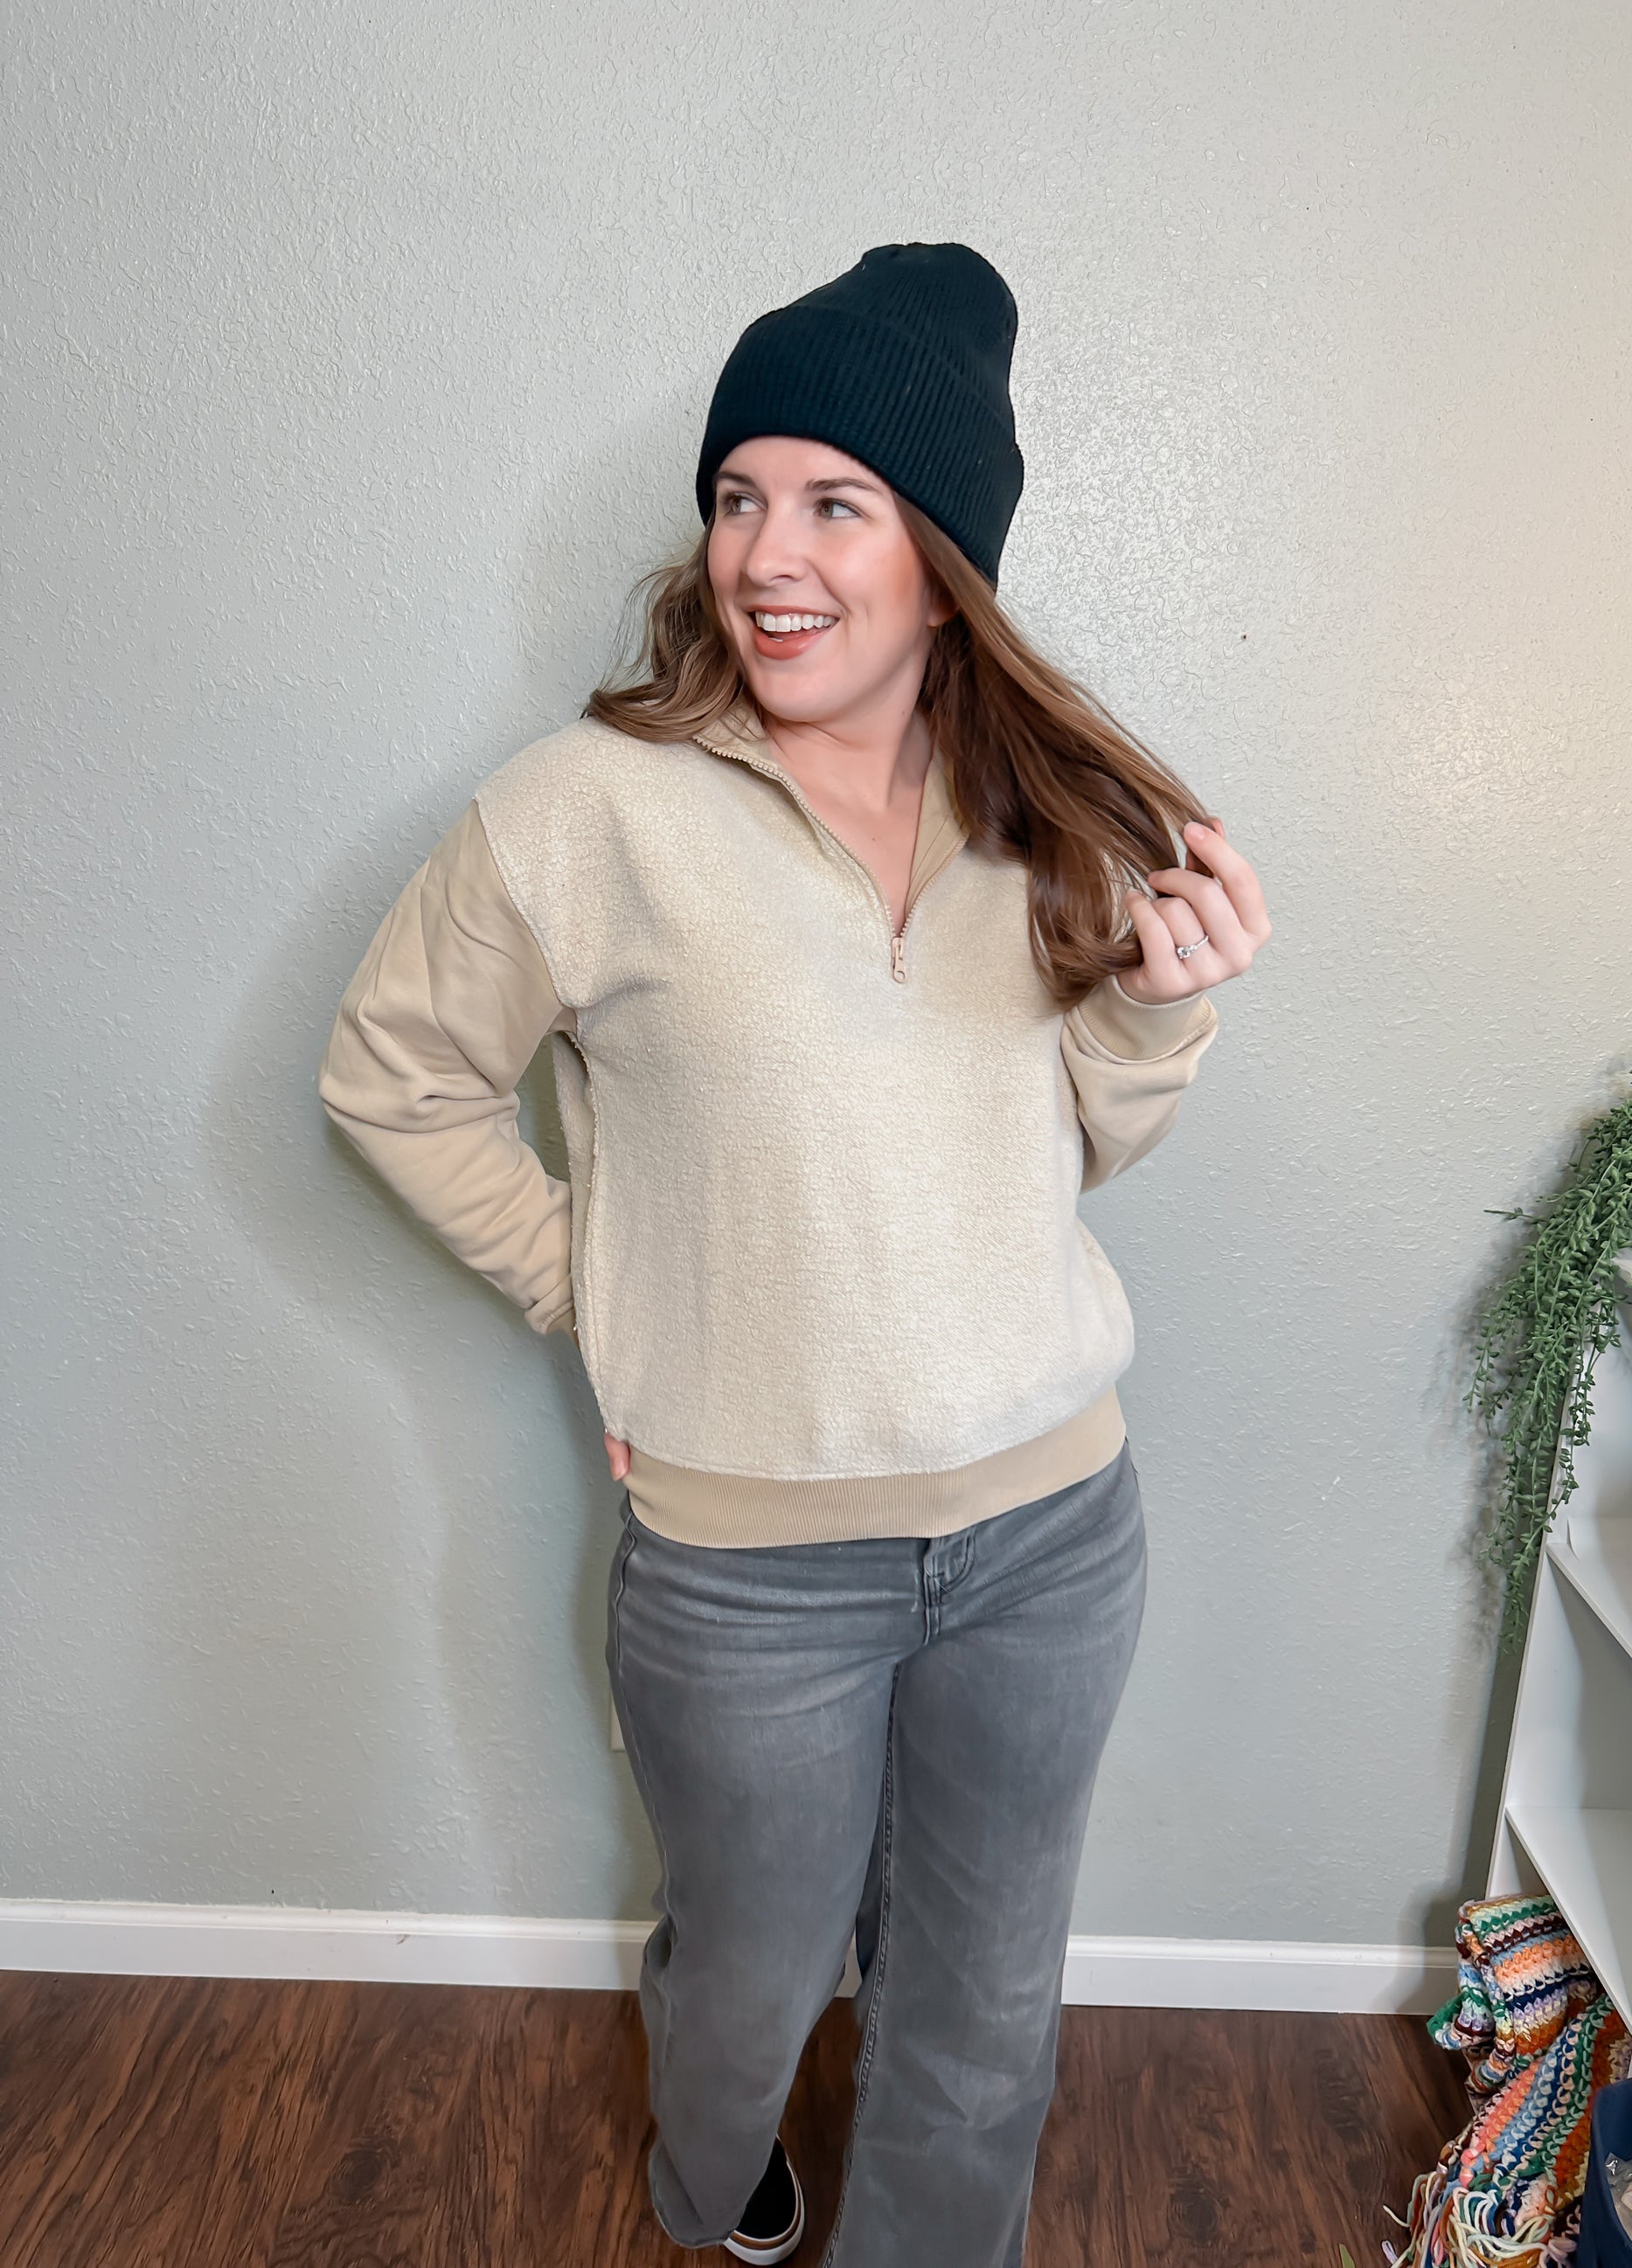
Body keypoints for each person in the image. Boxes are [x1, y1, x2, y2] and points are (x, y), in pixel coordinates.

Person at [316, 240, 1272, 2267]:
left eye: (836, 501)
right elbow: (391, 1080)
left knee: (984, 2013)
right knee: (749, 1979)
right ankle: (702, 2177)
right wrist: (597, 1288)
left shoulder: (1047, 817)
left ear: (941, 557)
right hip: (747, 1573)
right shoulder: (585, 810)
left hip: (1051, 1533)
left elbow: (1078, 1148)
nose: (768, 552)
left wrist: (1159, 1011)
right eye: (741, 495)